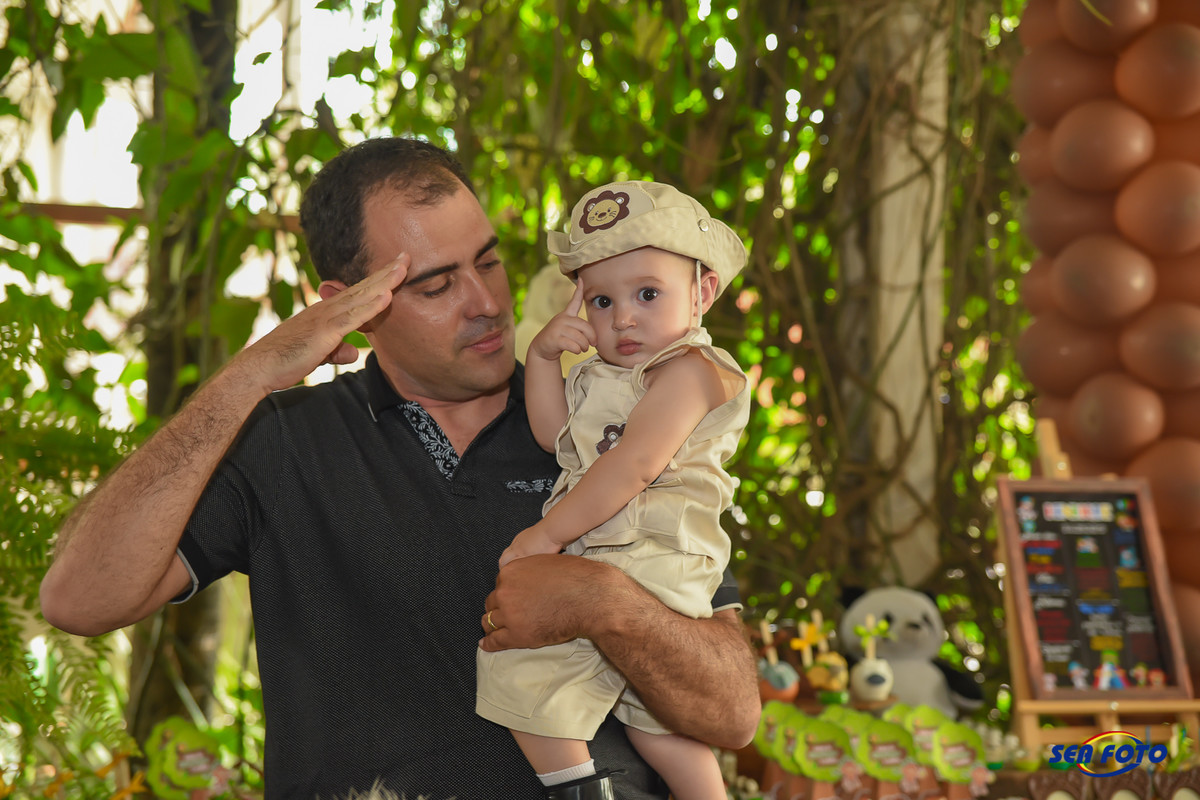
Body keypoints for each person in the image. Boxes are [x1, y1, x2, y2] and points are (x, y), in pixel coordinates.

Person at [37, 137, 760, 800]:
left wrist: (605, 603)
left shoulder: (605, 420)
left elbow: (731, 712)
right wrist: (246, 378)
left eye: (488, 261)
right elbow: (79, 600)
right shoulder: (286, 442)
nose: (486, 303)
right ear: (349, 307)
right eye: (436, 286)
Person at [475, 181, 751, 800]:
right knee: (655, 727)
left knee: (519, 665)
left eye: (648, 294)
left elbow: (634, 465)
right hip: (620, 553)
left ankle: (575, 788)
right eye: (601, 301)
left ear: (702, 292)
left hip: (654, 551)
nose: (623, 317)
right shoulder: (599, 377)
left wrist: (545, 536)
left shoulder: (691, 370)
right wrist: (542, 359)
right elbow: (555, 438)